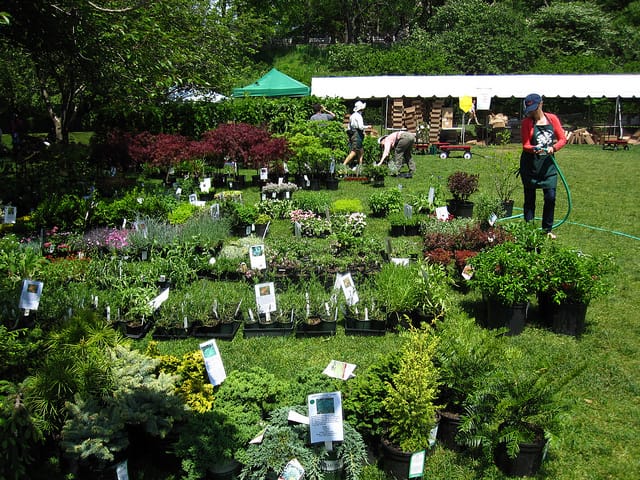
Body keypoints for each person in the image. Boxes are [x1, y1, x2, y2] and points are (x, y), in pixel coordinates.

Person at [520, 93, 566, 239]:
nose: (532, 112)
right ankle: (529, 229)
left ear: (541, 104)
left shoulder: (552, 119)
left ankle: (547, 230)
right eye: (530, 110)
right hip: (530, 164)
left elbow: (562, 139)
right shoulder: (527, 123)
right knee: (529, 198)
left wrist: (554, 148)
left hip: (548, 165)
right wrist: (534, 149)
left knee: (550, 197)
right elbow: (526, 144)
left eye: (534, 108)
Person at [343, 100, 369, 170]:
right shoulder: (359, 116)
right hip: (357, 134)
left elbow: (349, 126)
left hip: (352, 133)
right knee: (354, 151)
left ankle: (360, 165)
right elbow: (360, 127)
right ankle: (343, 165)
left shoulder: (352, 116)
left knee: (361, 150)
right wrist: (367, 127)